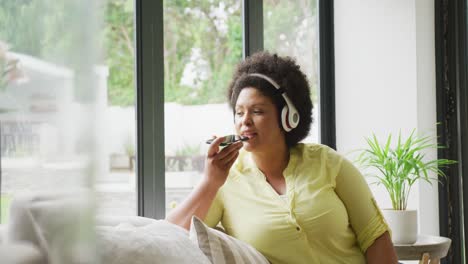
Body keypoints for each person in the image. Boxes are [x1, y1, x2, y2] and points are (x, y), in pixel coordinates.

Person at [166, 51, 398, 264]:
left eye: (257, 111)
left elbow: (375, 238)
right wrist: (210, 181)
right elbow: (169, 238)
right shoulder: (225, 182)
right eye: (239, 112)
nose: (244, 120)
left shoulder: (329, 164)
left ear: (289, 118)